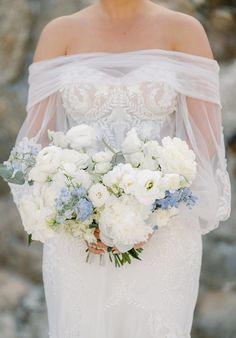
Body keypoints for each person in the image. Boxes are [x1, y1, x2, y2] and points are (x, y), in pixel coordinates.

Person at [9, 0, 231, 337]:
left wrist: (153, 213)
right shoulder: (59, 35)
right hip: (78, 240)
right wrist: (74, 215)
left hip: (165, 236)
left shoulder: (184, 32)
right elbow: (30, 152)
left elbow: (206, 146)